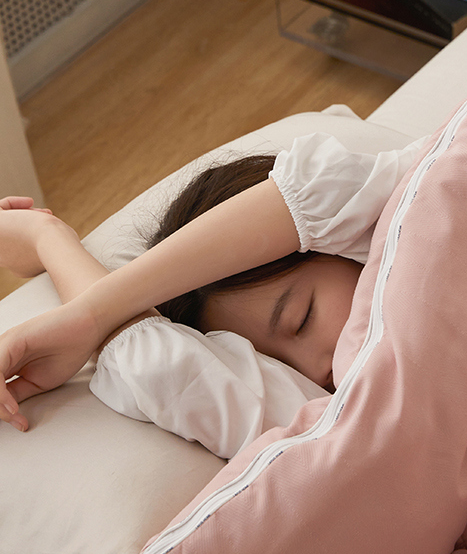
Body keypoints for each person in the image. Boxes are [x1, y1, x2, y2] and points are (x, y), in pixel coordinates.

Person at [0, 133, 423, 457]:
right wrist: (48, 238)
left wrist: (91, 311)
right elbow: (168, 372)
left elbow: (325, 188)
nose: (314, 369)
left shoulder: (436, 210)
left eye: (301, 319)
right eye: (272, 365)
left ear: (342, 240)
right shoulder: (346, 421)